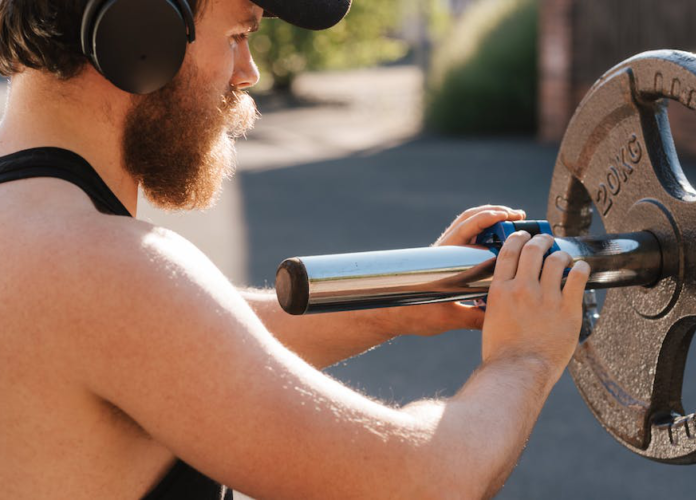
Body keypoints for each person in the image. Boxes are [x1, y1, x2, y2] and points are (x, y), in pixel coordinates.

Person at [0, 0, 591, 498]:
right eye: (237, 34)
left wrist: (396, 305)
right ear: (137, 30)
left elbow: (175, 345)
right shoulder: (103, 268)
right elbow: (422, 479)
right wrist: (526, 357)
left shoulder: (45, 244)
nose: (248, 71)